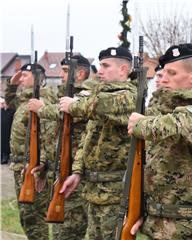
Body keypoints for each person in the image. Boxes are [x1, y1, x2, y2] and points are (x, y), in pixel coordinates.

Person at [127, 43, 192, 239]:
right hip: (157, 222)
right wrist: (143, 210)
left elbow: (177, 124)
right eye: (164, 73)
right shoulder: (166, 108)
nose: (165, 78)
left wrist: (141, 123)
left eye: (172, 73)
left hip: (189, 227)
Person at [58, 46, 137, 239]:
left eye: (106, 66)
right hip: (93, 189)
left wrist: (73, 105)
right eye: (100, 65)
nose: (100, 70)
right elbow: (87, 140)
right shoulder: (99, 94)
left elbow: (101, 105)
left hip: (115, 191)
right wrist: (77, 171)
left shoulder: (130, 95)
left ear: (123, 70)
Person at [27, 54, 93, 240]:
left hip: (76, 174)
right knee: (58, 231)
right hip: (59, 172)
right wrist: (45, 164)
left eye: (65, 71)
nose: (60, 74)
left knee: (68, 232)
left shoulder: (86, 96)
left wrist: (42, 108)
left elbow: (69, 113)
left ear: (79, 74)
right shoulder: (65, 97)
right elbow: (53, 137)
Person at [5, 63, 57, 240]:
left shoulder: (43, 101)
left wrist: (41, 165)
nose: (21, 79)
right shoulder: (25, 99)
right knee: (26, 216)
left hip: (33, 166)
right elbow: (10, 101)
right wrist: (12, 85)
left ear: (38, 79)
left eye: (25, 76)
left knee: (34, 217)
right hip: (19, 164)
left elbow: (48, 135)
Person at [1, 97, 15, 164]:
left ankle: (6, 157)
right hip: (2, 130)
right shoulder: (1, 111)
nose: (4, 104)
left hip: (8, 130)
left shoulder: (12, 111)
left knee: (7, 144)